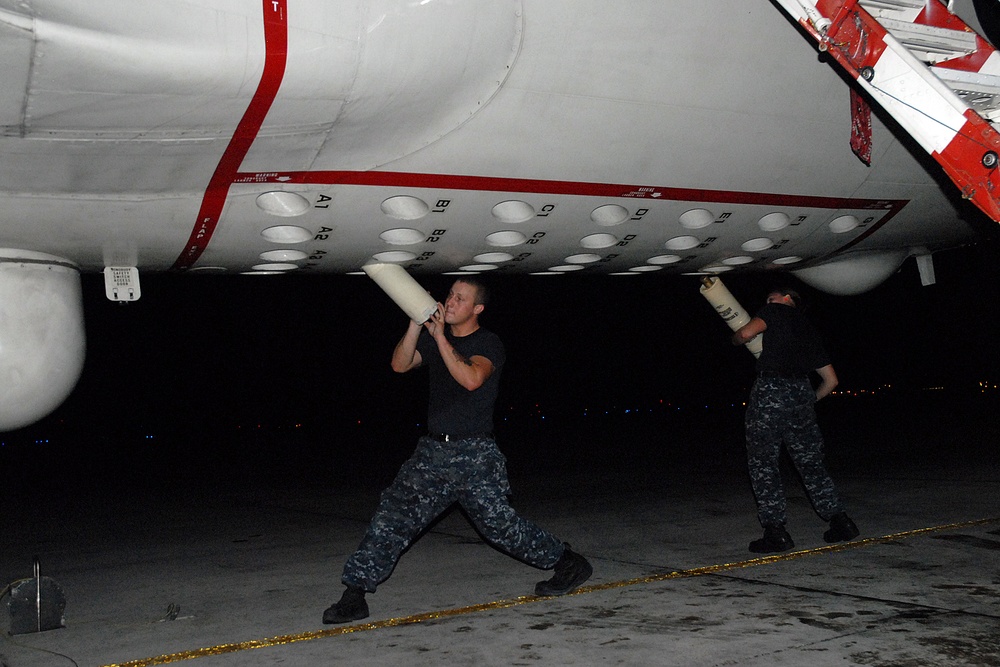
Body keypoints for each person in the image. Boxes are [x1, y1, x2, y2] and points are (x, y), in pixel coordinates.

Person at [323, 278, 592, 624]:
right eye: (450, 295)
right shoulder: (437, 338)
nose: (449, 302)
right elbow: (399, 365)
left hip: (474, 455)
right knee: (392, 518)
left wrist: (438, 338)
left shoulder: (488, 343)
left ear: (477, 309)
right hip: (432, 454)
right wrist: (413, 322)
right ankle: (354, 594)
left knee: (500, 528)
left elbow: (471, 379)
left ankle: (567, 562)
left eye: (459, 299)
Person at [731, 287, 859, 554]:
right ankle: (841, 521)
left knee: (763, 462)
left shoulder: (775, 311)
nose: (767, 302)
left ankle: (775, 532)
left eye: (771, 297)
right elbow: (831, 381)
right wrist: (805, 400)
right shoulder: (808, 329)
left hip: (771, 390)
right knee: (810, 462)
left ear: (787, 298)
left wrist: (735, 339)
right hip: (801, 391)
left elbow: (745, 333)